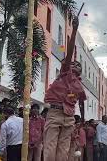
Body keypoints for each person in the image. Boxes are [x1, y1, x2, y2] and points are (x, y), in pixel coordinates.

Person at [43, 16, 87, 161]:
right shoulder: (65, 72)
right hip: (55, 112)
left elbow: (81, 102)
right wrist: (74, 30)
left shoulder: (79, 86)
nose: (75, 64)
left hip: (69, 117)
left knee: (63, 150)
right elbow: (69, 53)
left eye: (78, 65)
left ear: (80, 72)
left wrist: (83, 119)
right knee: (49, 149)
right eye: (73, 63)